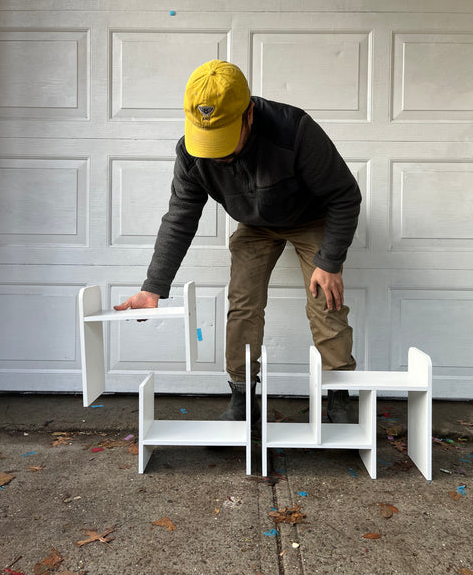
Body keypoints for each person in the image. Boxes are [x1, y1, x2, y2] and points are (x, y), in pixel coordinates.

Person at [114, 59, 361, 425]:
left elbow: (344, 195)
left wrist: (330, 261)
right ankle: (243, 395)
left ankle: (339, 392)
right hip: (255, 225)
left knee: (326, 302)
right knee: (243, 305)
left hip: (311, 218)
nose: (219, 153)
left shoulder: (295, 131)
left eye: (226, 137)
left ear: (249, 114)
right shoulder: (191, 153)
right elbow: (180, 217)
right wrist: (154, 287)